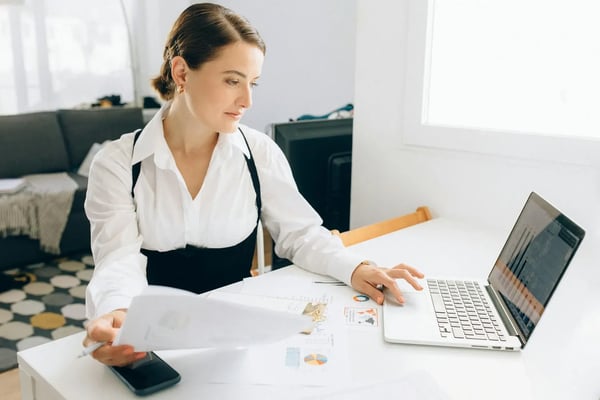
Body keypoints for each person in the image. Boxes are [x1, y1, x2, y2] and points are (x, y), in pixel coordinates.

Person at [83, 2, 424, 367]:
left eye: (252, 83)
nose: (247, 101)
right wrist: (118, 316)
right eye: (232, 80)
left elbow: (301, 234)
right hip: (150, 344)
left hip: (231, 343)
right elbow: (117, 261)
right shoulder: (117, 164)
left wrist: (355, 267)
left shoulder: (259, 152)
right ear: (181, 72)